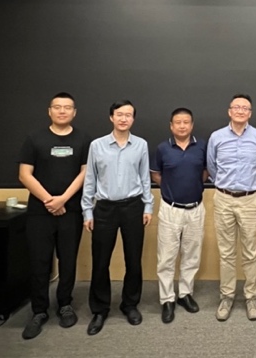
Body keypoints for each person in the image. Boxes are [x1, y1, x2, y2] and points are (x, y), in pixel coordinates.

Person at [18, 92, 91, 340]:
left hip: (71, 210)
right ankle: (39, 310)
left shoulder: (83, 139)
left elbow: (85, 173)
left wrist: (63, 199)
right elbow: (25, 174)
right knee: (39, 261)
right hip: (40, 212)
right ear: (49, 111)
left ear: (74, 112)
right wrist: (49, 200)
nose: (62, 111)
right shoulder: (34, 138)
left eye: (67, 107)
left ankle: (65, 304)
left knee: (68, 260)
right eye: (57, 107)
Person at [81, 100, 154, 336]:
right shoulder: (97, 145)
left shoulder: (141, 145)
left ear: (133, 119)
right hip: (104, 208)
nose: (124, 119)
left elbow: (145, 178)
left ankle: (130, 304)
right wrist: (87, 210)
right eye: (119, 114)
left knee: (133, 259)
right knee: (101, 260)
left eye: (128, 115)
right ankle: (100, 309)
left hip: (133, 207)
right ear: (111, 117)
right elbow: (90, 179)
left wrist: (148, 206)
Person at [207, 93, 256, 322]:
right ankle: (227, 296)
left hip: (250, 199)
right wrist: (226, 185)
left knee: (250, 252)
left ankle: (251, 297)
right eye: (237, 107)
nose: (241, 111)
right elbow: (211, 166)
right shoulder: (216, 137)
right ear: (229, 111)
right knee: (226, 252)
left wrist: (248, 184)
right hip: (223, 198)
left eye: (245, 108)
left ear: (250, 113)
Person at [150, 107, 208, 324]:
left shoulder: (202, 146)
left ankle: (185, 293)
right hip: (170, 209)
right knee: (166, 257)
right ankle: (167, 299)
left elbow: (205, 171)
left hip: (196, 209)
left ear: (191, 125)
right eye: (178, 122)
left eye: (186, 122)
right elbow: (156, 174)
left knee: (191, 255)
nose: (182, 126)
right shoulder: (162, 148)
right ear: (171, 126)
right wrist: (171, 187)